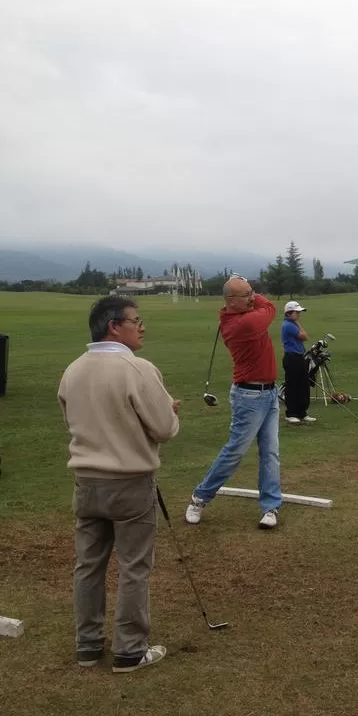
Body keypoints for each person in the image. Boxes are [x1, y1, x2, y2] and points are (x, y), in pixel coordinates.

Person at [57, 297, 180, 673]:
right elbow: (164, 428)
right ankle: (129, 649)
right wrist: (168, 412)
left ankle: (88, 646)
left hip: (87, 482)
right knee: (134, 567)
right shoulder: (137, 368)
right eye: (136, 321)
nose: (141, 327)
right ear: (114, 326)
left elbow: (73, 420)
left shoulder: (72, 370)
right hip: (129, 483)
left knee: (88, 567)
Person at [186, 276, 283, 530]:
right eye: (246, 295)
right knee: (235, 452)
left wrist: (246, 289)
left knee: (270, 453)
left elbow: (260, 303)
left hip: (270, 393)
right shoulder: (242, 324)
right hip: (249, 398)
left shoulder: (241, 312)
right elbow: (270, 308)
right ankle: (199, 497)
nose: (253, 297)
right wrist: (255, 295)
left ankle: (270, 507)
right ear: (231, 301)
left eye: (252, 293)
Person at [281, 300, 316, 425]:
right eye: (297, 312)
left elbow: (304, 335)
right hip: (291, 358)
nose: (299, 315)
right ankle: (291, 413)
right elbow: (305, 336)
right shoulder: (288, 325)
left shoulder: (293, 323)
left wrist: (297, 322)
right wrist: (297, 323)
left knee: (303, 385)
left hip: (299, 357)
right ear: (289, 313)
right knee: (292, 386)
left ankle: (302, 412)